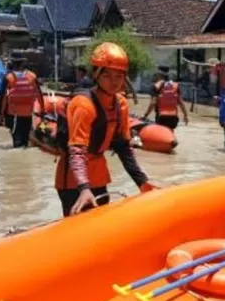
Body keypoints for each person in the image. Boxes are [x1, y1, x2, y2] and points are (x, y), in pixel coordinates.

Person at [55, 42, 154, 217]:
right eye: (107, 76)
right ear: (96, 74)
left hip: (99, 177)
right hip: (73, 182)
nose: (114, 82)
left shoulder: (120, 104)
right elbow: (76, 151)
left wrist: (142, 182)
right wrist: (84, 189)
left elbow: (123, 147)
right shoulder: (83, 105)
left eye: (119, 76)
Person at [1, 56, 44, 148]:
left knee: (16, 139)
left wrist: (1, 112)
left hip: (13, 113)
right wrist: (43, 109)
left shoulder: (8, 77)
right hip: (28, 113)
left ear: (12, 63)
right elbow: (39, 94)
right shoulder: (32, 76)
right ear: (23, 63)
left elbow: (3, 97)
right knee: (25, 138)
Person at [142, 66, 189, 130]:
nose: (155, 76)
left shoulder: (156, 86)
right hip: (173, 117)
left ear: (159, 75)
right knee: (170, 134)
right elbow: (181, 102)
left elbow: (153, 102)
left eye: (156, 74)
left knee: (161, 136)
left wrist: (145, 115)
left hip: (161, 117)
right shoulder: (175, 85)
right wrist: (186, 116)